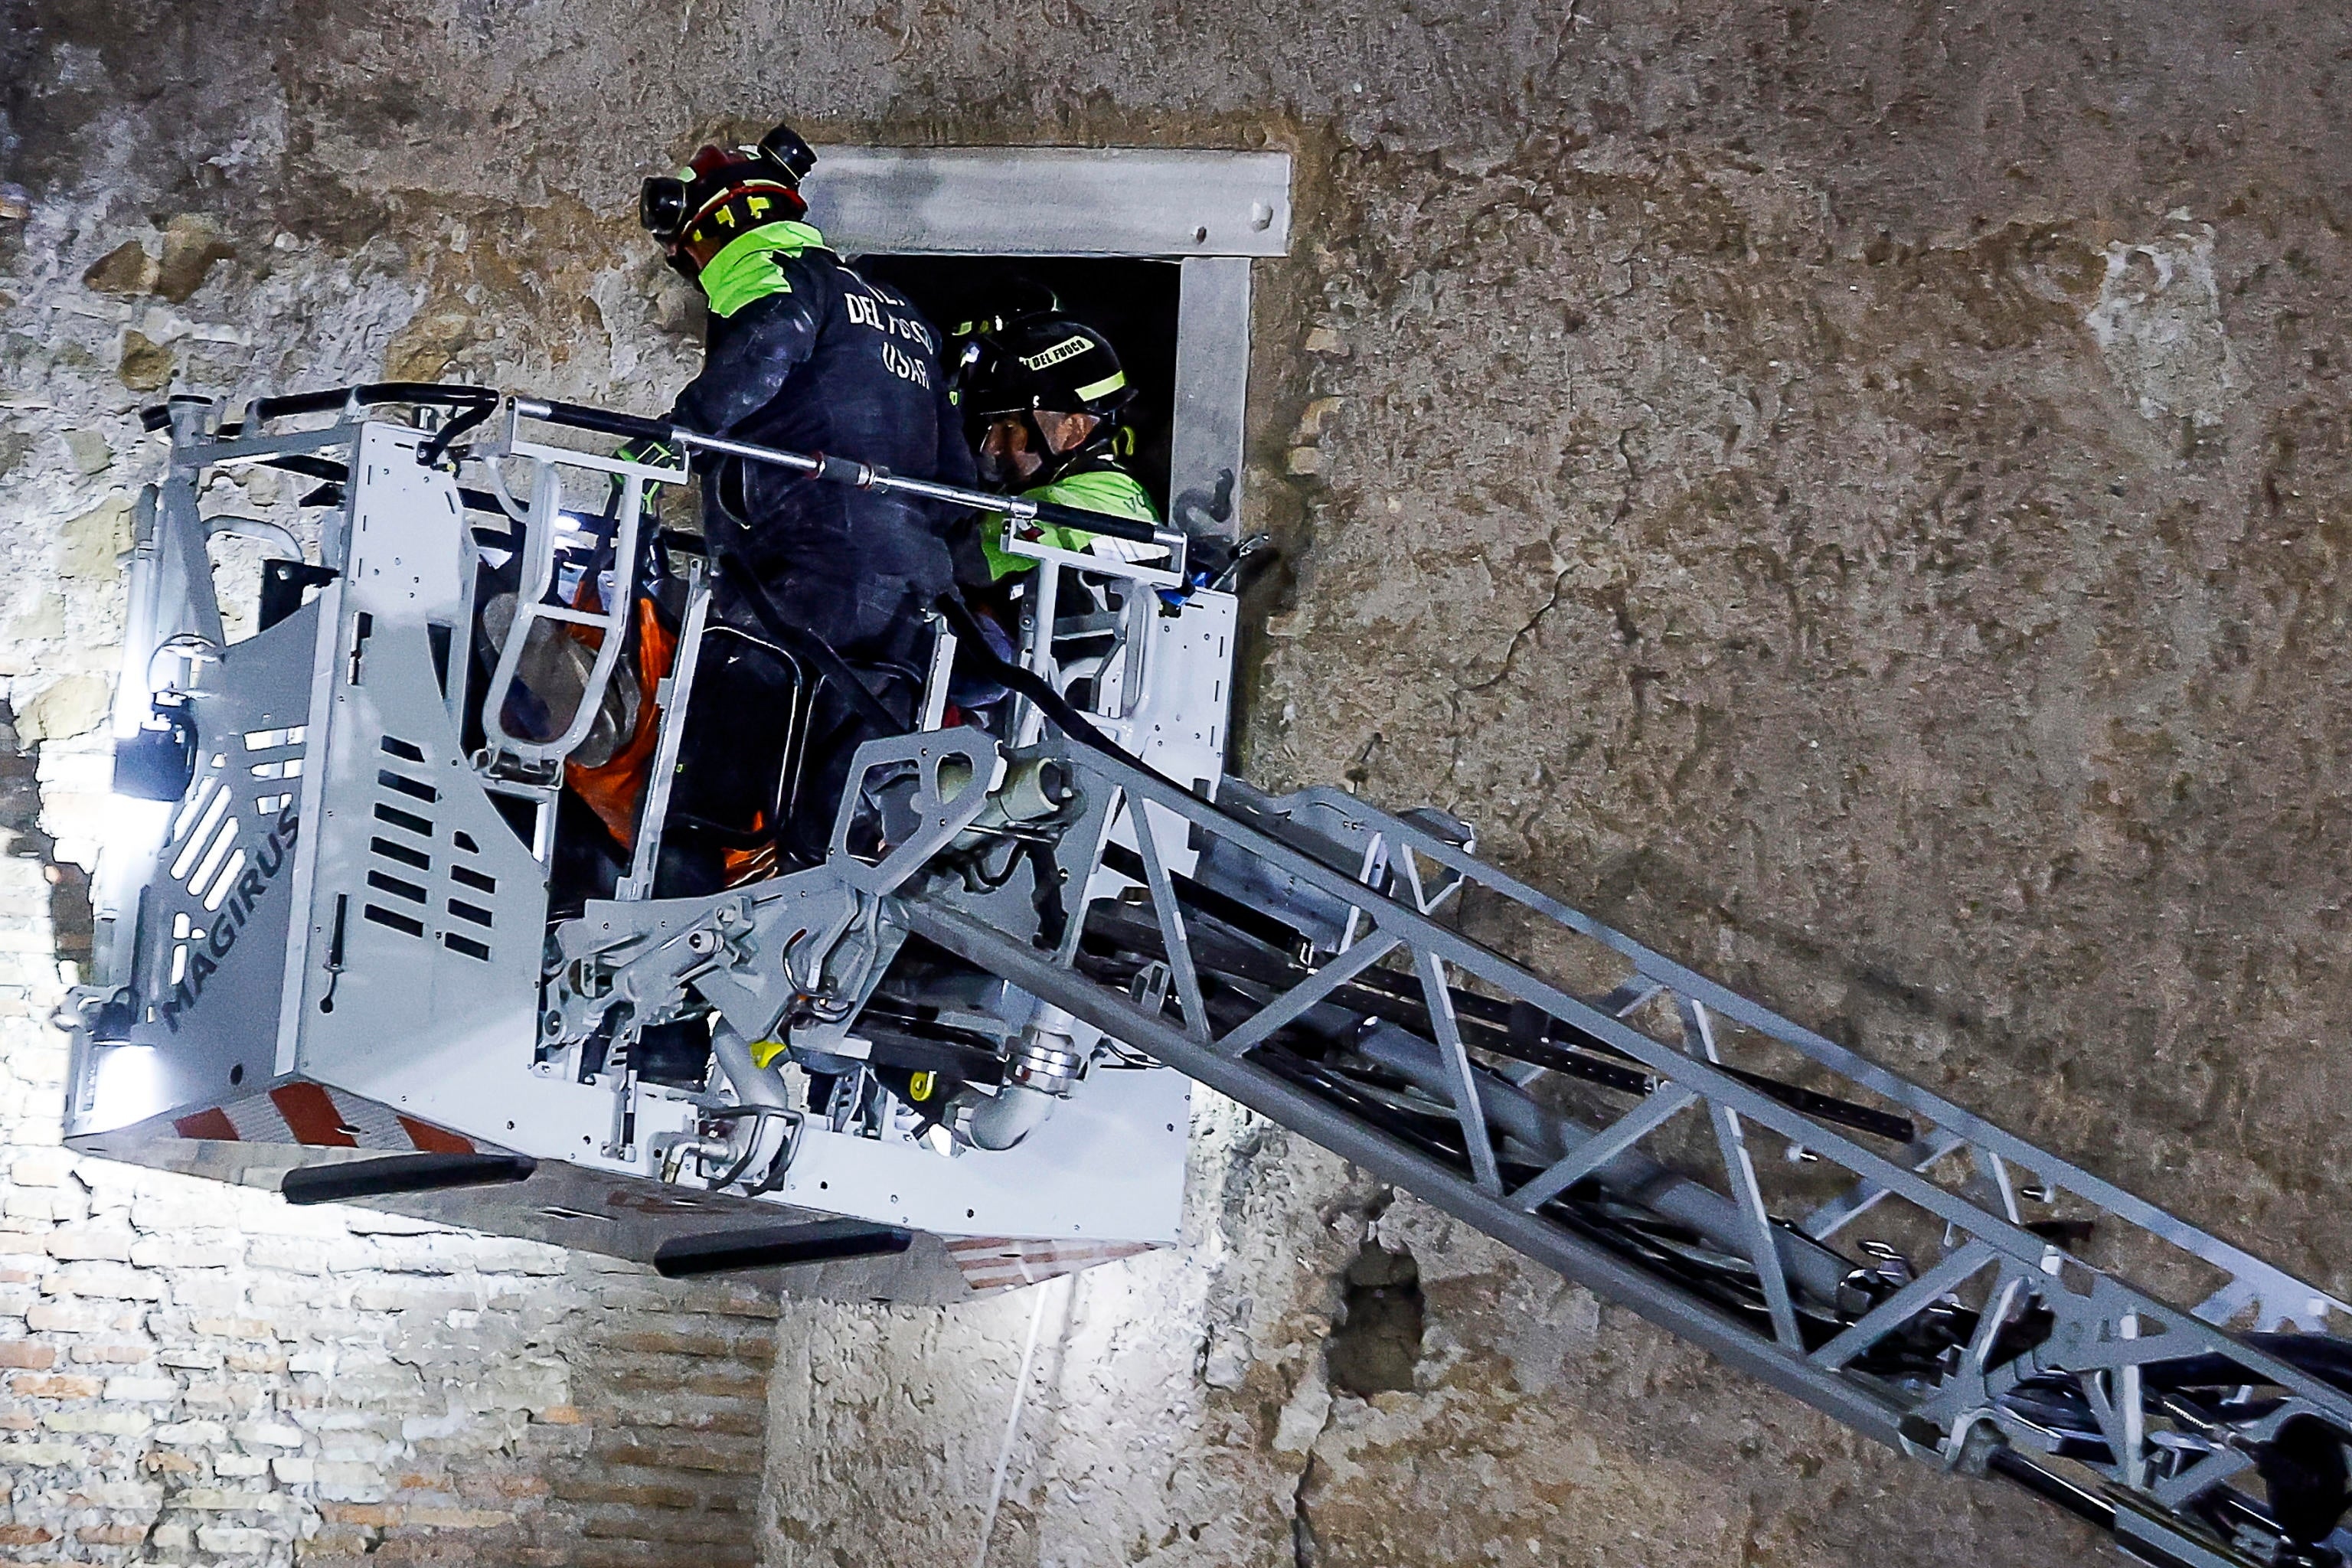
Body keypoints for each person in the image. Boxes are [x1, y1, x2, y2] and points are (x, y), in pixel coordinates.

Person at [635, 122, 970, 882]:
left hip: (808, 567)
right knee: (834, 790)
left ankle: (671, 896)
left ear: (707, 232)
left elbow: (766, 348)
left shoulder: (769, 268)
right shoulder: (906, 319)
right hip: (911, 589)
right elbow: (959, 476)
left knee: (717, 728)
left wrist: (662, 446)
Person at [955, 300, 1164, 583]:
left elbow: (952, 570)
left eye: (1008, 426)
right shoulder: (1117, 492)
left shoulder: (1056, 504)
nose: (991, 445)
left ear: (1074, 430)